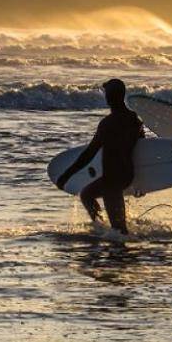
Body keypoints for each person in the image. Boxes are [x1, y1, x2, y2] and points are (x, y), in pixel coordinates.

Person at [55, 78, 144, 235]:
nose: (106, 97)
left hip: (112, 179)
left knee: (120, 229)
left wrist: (66, 175)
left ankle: (118, 246)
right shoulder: (134, 120)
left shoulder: (108, 123)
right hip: (126, 174)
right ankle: (102, 229)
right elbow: (143, 149)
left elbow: (90, 153)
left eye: (107, 94)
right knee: (87, 195)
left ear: (111, 97)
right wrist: (141, 183)